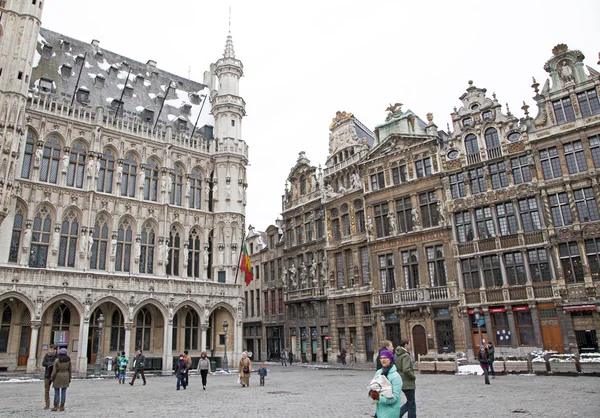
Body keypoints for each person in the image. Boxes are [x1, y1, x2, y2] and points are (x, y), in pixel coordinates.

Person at [368, 349, 402, 418]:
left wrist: (379, 398)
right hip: (379, 412)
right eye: (381, 358)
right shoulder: (379, 372)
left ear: (390, 359)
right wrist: (370, 392)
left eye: (385, 358)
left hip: (391, 413)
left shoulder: (396, 377)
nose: (383, 360)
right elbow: (372, 386)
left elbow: (395, 398)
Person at [395, 339, 417, 418]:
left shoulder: (397, 354)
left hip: (400, 381)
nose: (410, 346)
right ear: (406, 345)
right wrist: (413, 376)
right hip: (408, 382)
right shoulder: (405, 355)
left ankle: (397, 415)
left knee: (410, 402)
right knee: (411, 403)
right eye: (409, 344)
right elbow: (406, 369)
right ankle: (398, 415)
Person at [50, 348, 71, 412]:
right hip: (66, 376)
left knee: (56, 391)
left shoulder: (57, 361)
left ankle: (55, 406)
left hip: (58, 376)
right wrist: (69, 378)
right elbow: (70, 370)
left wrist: (52, 377)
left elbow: (54, 371)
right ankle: (62, 406)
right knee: (63, 392)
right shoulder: (68, 361)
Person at [42, 345, 57, 409]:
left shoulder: (57, 356)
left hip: (55, 375)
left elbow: (57, 364)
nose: (50, 351)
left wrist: (51, 364)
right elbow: (43, 363)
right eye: (50, 349)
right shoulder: (46, 355)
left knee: (56, 389)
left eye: (52, 349)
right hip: (47, 374)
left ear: (55, 350)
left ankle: (56, 404)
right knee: (46, 390)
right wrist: (50, 364)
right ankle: (47, 404)